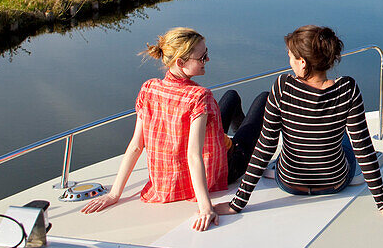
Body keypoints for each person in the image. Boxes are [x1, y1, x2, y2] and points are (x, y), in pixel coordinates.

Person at [215, 25, 383, 220]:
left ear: (303, 62)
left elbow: (266, 145)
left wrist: (237, 204)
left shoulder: (282, 86)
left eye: (291, 57)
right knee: (347, 137)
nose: (290, 62)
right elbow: (363, 147)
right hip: (334, 182)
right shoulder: (347, 89)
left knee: (317, 136)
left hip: (290, 182)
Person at [82, 27, 267, 230]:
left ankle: (233, 140)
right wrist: (206, 207)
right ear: (181, 62)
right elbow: (194, 155)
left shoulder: (149, 88)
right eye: (202, 57)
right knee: (264, 98)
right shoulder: (199, 96)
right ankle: (245, 151)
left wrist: (114, 194)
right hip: (224, 166)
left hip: (167, 182)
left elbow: (136, 145)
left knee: (231, 95)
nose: (207, 60)